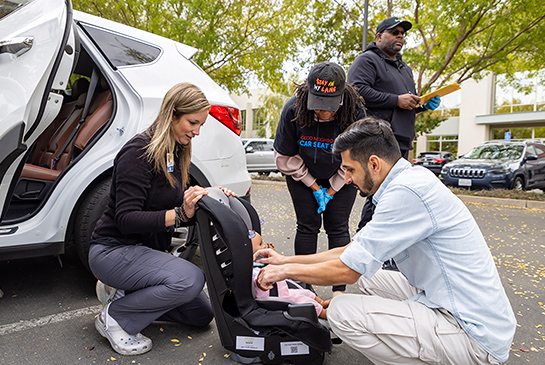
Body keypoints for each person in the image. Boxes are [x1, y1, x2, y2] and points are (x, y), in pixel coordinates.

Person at [255, 118, 516, 364]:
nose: (346, 179)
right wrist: (286, 260)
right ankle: (414, 330)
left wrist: (284, 272)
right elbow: (351, 252)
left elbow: (348, 270)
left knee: (341, 312)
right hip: (449, 300)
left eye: (349, 169)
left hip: (473, 336)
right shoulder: (408, 180)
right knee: (372, 276)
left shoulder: (406, 193)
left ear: (374, 164)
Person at [88, 82, 227, 355]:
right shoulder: (138, 153)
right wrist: (178, 214)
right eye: (192, 122)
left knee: (201, 313)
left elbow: (173, 205)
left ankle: (127, 291)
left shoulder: (173, 152)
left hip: (145, 252)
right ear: (172, 115)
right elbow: (126, 219)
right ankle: (115, 315)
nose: (197, 131)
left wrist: (208, 196)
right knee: (189, 280)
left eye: (201, 125)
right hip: (113, 249)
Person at [273, 61, 366, 296]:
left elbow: (355, 159)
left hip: (343, 175)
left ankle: (339, 291)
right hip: (302, 174)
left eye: (328, 106)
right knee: (307, 226)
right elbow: (285, 157)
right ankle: (304, 288)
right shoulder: (293, 110)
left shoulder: (354, 112)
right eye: (317, 105)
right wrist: (314, 186)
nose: (322, 112)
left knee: (338, 227)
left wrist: (332, 189)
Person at [347, 17, 441, 234]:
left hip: (402, 140)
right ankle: (364, 243)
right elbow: (356, 90)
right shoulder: (367, 61)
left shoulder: (405, 69)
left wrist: (422, 106)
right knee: (379, 194)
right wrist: (396, 99)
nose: (400, 36)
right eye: (395, 32)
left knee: (396, 196)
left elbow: (403, 104)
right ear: (379, 36)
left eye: (402, 33)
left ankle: (387, 250)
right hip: (379, 140)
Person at [250, 230, 330, 319]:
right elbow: (258, 282)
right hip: (278, 297)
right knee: (306, 302)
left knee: (306, 293)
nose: (264, 246)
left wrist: (270, 257)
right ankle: (325, 313)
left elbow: (272, 268)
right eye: (260, 244)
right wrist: (259, 283)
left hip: (284, 291)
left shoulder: (259, 263)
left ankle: (322, 303)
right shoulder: (253, 271)